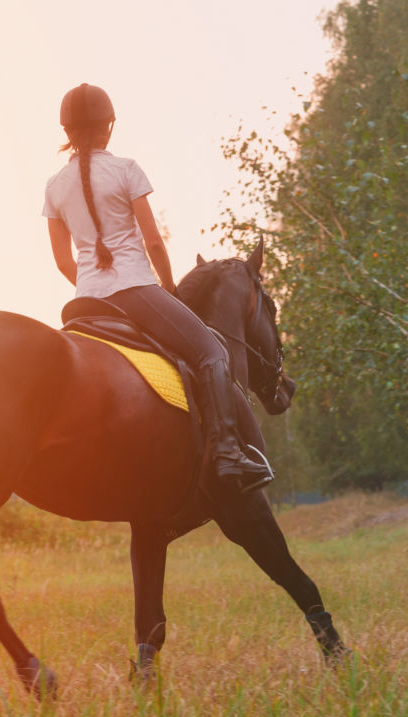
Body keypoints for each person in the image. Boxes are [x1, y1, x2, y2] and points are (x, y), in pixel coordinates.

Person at [43, 82, 272, 494]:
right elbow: (152, 242)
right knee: (212, 352)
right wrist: (168, 289)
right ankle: (226, 452)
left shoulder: (54, 186)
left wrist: (92, 283)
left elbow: (63, 261)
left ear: (66, 131)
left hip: (85, 303)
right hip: (137, 292)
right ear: (108, 127)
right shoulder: (126, 169)